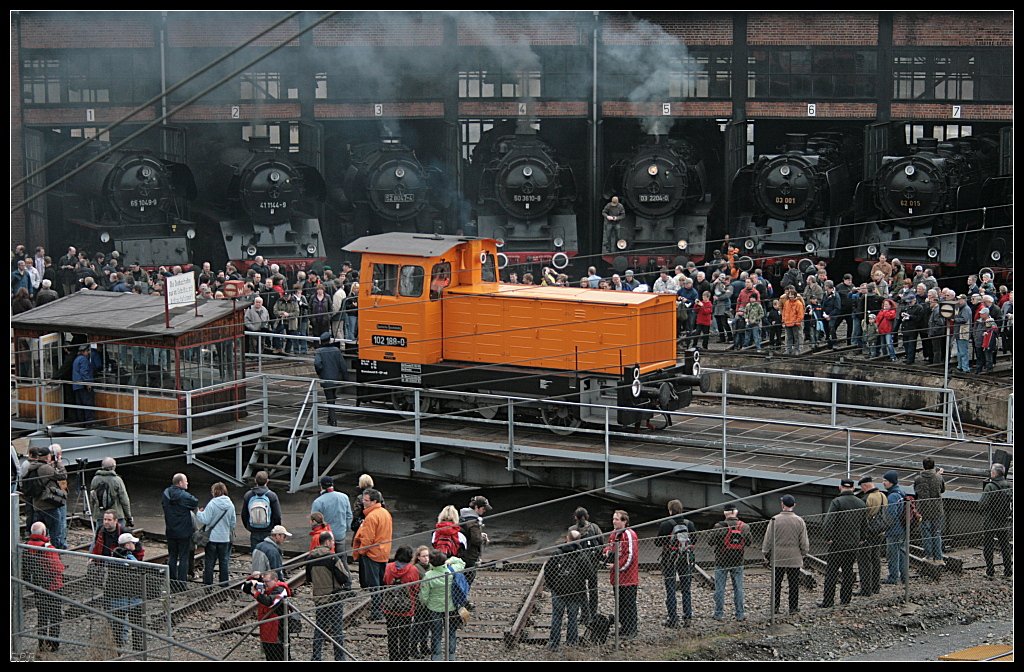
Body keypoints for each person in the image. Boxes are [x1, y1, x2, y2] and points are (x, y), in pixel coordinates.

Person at [820, 479, 867, 608]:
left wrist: (827, 536)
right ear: (853, 488)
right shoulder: (861, 503)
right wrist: (862, 538)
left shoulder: (837, 502)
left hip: (837, 543)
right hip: (853, 544)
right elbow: (864, 524)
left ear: (840, 487)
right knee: (848, 571)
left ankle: (828, 601)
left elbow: (829, 521)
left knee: (831, 572)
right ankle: (845, 599)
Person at [762, 494, 809, 615]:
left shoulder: (774, 520)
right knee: (793, 584)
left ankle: (775, 607)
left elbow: (768, 540)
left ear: (782, 504)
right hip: (794, 557)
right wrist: (803, 553)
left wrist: (766, 553)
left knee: (776, 583)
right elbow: (803, 542)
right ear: (794, 505)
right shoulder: (799, 521)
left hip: (777, 557)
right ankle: (793, 608)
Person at [307, 531, 351, 661]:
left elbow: (308, 578)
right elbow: (343, 577)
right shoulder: (332, 558)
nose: (333, 544)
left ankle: (316, 657)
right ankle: (339, 658)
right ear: (327, 542)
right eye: (332, 541)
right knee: (337, 630)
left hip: (319, 598)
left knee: (319, 628)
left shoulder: (310, 558)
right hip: (333, 598)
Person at [418, 549, 467, 660]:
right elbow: (461, 562)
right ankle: (451, 656)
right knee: (451, 632)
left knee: (436, 633)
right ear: (444, 561)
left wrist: (425, 604)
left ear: (431, 562)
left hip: (434, 608)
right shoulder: (452, 570)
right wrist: (450, 560)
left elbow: (424, 596)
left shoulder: (428, 576)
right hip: (451, 607)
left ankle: (437, 656)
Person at [24, 521, 65, 652]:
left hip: (37, 587)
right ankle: (53, 645)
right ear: (43, 533)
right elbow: (57, 568)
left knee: (42, 616)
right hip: (53, 587)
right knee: (55, 617)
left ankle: (41, 645)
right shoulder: (47, 548)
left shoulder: (26, 546)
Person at [353, 487, 393, 620]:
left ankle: (376, 612)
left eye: (366, 500)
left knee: (374, 584)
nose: (363, 502)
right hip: (384, 552)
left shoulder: (371, 517)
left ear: (373, 501)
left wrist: (360, 552)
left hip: (372, 554)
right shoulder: (385, 513)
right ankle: (381, 608)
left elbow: (368, 539)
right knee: (380, 582)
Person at [655, 499, 697, 627]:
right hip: (685, 559)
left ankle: (673, 618)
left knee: (671, 589)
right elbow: (694, 539)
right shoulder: (689, 524)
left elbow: (657, 543)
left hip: (669, 560)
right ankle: (687, 617)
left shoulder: (666, 524)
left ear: (670, 511)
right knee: (686, 589)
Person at [545, 529, 586, 650]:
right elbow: (589, 573)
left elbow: (548, 571)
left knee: (557, 616)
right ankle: (572, 642)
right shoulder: (581, 555)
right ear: (579, 541)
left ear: (567, 539)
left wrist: (553, 586)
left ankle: (554, 643)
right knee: (572, 617)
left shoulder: (558, 553)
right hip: (575, 592)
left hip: (559, 591)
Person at [105, 532, 146, 652]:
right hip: (132, 596)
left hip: (116, 596)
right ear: (127, 545)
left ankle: (119, 649)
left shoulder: (113, 557)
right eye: (133, 543)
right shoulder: (130, 558)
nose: (136, 544)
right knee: (137, 625)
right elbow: (140, 567)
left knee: (118, 625)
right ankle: (138, 650)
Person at [24, 444, 68, 550]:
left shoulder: (32, 466)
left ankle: (39, 555)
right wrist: (59, 463)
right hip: (49, 505)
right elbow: (63, 475)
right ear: (48, 456)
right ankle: (56, 556)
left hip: (36, 505)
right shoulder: (46, 468)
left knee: (40, 534)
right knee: (55, 532)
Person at [709, 504, 749, 622]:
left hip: (721, 561)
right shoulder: (744, 526)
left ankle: (719, 613)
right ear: (736, 512)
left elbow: (710, 542)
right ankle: (740, 614)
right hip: (738, 560)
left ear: (725, 513)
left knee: (720, 588)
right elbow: (749, 542)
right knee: (738, 588)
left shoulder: (719, 526)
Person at [242, 570, 293, 661]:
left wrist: (255, 593)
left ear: (275, 580)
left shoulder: (280, 589)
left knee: (280, 655)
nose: (265, 584)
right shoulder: (265, 587)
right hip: (266, 628)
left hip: (278, 630)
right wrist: (253, 579)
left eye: (267, 582)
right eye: (264, 581)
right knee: (269, 655)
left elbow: (269, 602)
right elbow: (244, 588)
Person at [604, 509, 639, 638]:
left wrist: (617, 566)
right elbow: (609, 546)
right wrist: (607, 552)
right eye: (613, 519)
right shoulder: (614, 534)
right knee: (620, 604)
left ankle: (632, 629)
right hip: (617, 577)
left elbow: (630, 555)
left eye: (616, 519)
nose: (614, 521)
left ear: (624, 521)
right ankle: (624, 627)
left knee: (629, 604)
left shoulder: (628, 535)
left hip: (628, 578)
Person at [161, 473, 199, 591]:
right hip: (184, 532)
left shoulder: (166, 493)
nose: (187, 483)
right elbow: (195, 502)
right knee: (184, 557)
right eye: (186, 481)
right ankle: (182, 584)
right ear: (180, 483)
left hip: (170, 530)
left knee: (172, 556)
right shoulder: (184, 496)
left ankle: (172, 583)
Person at [382, 545, 420, 661]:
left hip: (390, 607)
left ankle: (393, 657)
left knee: (392, 634)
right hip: (406, 608)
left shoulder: (388, 567)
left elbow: (385, 581)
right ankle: (404, 656)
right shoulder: (412, 569)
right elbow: (416, 588)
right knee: (405, 634)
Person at [195, 482, 237, 586]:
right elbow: (233, 523)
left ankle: (208, 584)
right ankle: (224, 584)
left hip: (212, 538)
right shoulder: (230, 505)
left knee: (209, 562)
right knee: (224, 562)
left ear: (214, 491)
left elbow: (205, 519)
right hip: (225, 538)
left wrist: (198, 512)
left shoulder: (212, 503)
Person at [570, 506, 603, 626]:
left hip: (579, 565)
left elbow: (569, 546)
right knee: (593, 589)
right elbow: (601, 541)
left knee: (581, 590)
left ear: (575, 517)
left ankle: (584, 614)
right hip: (593, 564)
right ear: (587, 516)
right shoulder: (594, 528)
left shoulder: (572, 530)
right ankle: (593, 614)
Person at [979, 463, 1012, 579]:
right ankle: (1008, 570)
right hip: (1003, 520)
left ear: (994, 473)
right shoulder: (1008, 485)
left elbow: (982, 504)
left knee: (988, 546)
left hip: (990, 521)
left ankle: (990, 570)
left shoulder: (990, 487)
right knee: (1005, 546)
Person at [855, 476, 887, 596]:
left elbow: (863, 517)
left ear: (865, 486)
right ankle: (875, 587)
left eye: (862, 487)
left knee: (864, 561)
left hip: (868, 533)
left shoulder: (867, 498)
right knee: (875, 559)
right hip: (879, 532)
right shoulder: (882, 495)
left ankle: (866, 589)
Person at [913, 457, 946, 564]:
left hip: (924, 509)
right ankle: (939, 557)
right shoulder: (938, 477)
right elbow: (942, 489)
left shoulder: (918, 479)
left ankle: (929, 556)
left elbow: (916, 492)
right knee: (936, 533)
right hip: (937, 509)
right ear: (933, 465)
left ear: (923, 466)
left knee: (926, 533)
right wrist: (938, 474)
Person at [242, 471, 282, 553]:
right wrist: (275, 528)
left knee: (256, 553)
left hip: (253, 529)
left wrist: (248, 526)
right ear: (267, 481)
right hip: (268, 529)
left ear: (255, 481)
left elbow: (244, 514)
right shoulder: (272, 496)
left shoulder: (248, 495)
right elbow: (277, 515)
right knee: (268, 553)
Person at [311, 475, 353, 555]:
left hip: (325, 537)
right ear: (332, 484)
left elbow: (314, 521)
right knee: (342, 560)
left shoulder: (318, 502)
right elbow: (349, 515)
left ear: (321, 486)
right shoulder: (344, 497)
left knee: (326, 560)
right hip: (340, 534)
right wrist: (346, 529)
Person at [314, 332, 349, 426]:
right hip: (336, 379)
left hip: (325, 379)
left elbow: (317, 364)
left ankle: (332, 420)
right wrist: (345, 378)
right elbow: (343, 366)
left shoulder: (319, 351)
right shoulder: (336, 350)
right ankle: (331, 418)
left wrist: (320, 372)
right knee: (332, 399)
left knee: (329, 399)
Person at [881, 471, 908, 585]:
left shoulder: (892, 496)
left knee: (892, 554)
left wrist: (884, 528)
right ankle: (904, 576)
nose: (883, 483)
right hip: (903, 528)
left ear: (891, 482)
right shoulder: (901, 492)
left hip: (894, 530)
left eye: (885, 481)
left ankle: (893, 577)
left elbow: (891, 515)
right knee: (902, 552)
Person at [90, 457, 133, 528]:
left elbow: (92, 498)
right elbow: (124, 500)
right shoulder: (117, 480)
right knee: (118, 535)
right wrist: (128, 516)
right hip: (116, 514)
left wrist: (94, 510)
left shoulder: (95, 479)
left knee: (100, 535)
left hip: (100, 514)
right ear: (113, 467)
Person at [458, 495, 491, 585]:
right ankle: (463, 597)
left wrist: (479, 534)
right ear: (476, 507)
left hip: (462, 553)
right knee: (469, 577)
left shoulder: (463, 517)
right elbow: (476, 540)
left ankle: (461, 596)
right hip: (470, 555)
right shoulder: (473, 522)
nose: (484, 511)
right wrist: (482, 538)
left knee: (462, 577)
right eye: (483, 508)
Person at [72, 343, 103, 424]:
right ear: (83, 352)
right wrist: (88, 383)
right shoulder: (83, 360)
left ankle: (81, 421)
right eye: (87, 351)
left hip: (76, 386)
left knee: (79, 405)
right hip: (83, 386)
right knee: (87, 403)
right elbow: (84, 372)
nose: (88, 352)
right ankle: (89, 422)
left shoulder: (76, 359)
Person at [780, 285, 805, 355]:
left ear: (795, 296)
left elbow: (800, 315)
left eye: (792, 295)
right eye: (790, 295)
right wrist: (784, 320)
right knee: (789, 338)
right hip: (788, 323)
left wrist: (796, 322)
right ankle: (788, 350)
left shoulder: (798, 304)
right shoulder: (787, 303)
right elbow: (784, 312)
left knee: (796, 338)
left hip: (795, 324)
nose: (790, 296)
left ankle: (797, 350)